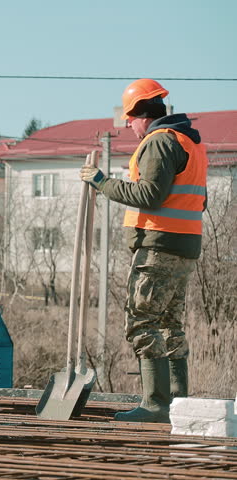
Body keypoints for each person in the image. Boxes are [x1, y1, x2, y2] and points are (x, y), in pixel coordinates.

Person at [79, 78, 207, 423]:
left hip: (158, 246)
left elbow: (150, 195)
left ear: (142, 114)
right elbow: (200, 199)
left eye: (129, 118)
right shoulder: (189, 142)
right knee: (169, 324)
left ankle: (156, 405)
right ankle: (179, 404)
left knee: (142, 322)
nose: (127, 125)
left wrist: (102, 182)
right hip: (184, 245)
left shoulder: (159, 142)